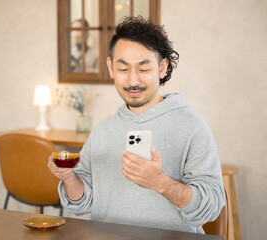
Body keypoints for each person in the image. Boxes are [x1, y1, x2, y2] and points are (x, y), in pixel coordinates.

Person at [48, 16, 225, 234]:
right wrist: (69, 177)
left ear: (162, 68)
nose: (133, 81)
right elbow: (81, 203)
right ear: (111, 68)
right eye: (123, 70)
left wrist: (161, 183)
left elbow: (211, 209)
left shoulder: (192, 127)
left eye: (143, 69)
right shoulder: (102, 130)